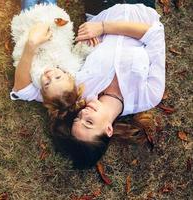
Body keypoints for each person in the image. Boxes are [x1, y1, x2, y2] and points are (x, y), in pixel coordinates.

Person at [53, 3, 165, 168]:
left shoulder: (80, 88)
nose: (84, 113)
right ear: (108, 130)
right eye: (89, 122)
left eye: (78, 118)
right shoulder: (149, 96)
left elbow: (33, 86)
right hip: (141, 9)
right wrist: (103, 28)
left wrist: (89, 37)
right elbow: (154, 35)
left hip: (101, 8)